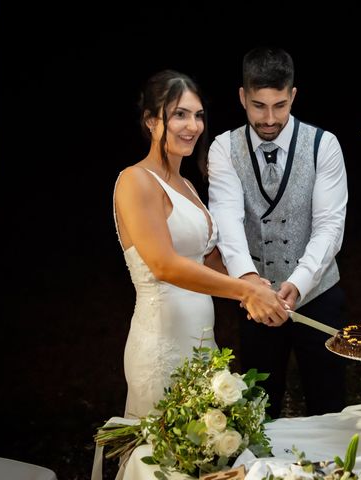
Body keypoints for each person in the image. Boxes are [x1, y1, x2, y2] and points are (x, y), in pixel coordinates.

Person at [113, 69, 288, 419]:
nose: (192, 126)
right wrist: (243, 293)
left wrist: (254, 283)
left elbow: (205, 259)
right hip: (161, 345)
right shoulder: (136, 181)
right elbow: (164, 265)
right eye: (179, 114)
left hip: (201, 343)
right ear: (151, 120)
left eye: (197, 115)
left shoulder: (187, 186)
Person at [207, 47, 349, 417]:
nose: (269, 118)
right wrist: (251, 283)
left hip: (318, 294)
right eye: (258, 106)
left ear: (293, 96)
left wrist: (300, 281)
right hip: (255, 300)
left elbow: (330, 227)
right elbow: (227, 220)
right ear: (242, 97)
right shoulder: (223, 148)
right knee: (259, 407)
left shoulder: (325, 145)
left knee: (328, 403)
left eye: (280, 105)